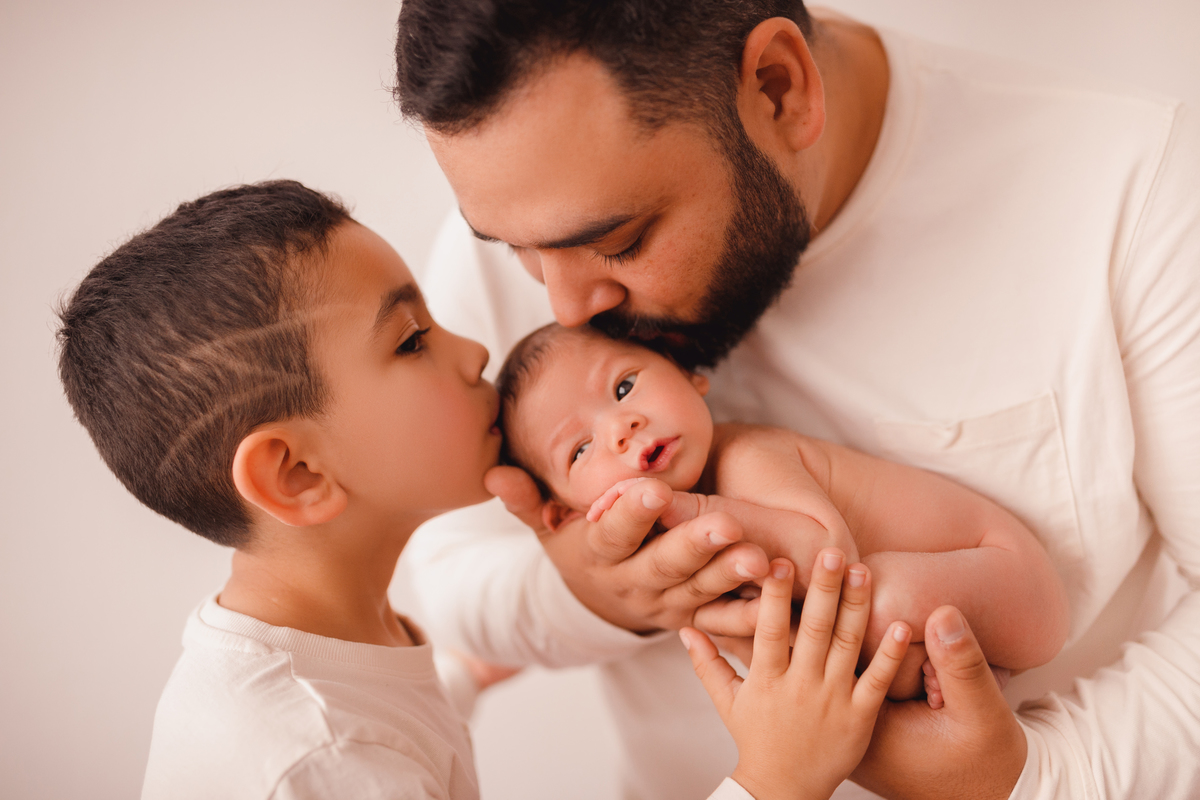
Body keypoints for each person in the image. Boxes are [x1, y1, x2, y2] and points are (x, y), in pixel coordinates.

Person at [392, 1, 1200, 798]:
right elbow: (447, 580)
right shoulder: (535, 200)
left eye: (622, 242)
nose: (563, 306)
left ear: (779, 89)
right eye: (517, 253)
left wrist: (1038, 777)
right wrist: (596, 596)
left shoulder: (1136, 184)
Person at [55, 179, 921, 800]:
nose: (472, 352)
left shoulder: (341, 652)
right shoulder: (319, 762)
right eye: (411, 341)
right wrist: (776, 779)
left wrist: (465, 679)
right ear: (298, 474)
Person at [497, 322, 1067, 701]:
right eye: (580, 450)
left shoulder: (745, 456)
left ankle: (959, 660)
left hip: (1008, 573)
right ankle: (961, 670)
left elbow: (829, 556)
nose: (621, 428)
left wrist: (698, 509)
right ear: (568, 514)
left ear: (686, 370)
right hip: (961, 617)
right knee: (833, 654)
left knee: (875, 600)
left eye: (624, 388)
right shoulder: (661, 564)